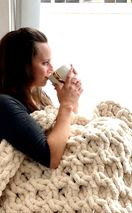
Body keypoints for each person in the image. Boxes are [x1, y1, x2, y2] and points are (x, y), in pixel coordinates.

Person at [0, 27, 83, 169]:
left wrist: (72, 100)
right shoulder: (4, 104)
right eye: (45, 63)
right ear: (23, 66)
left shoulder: (39, 95)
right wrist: (66, 105)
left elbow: (66, 130)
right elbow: (51, 158)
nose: (51, 68)